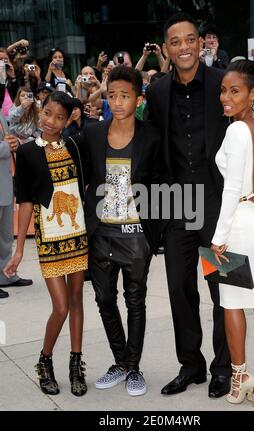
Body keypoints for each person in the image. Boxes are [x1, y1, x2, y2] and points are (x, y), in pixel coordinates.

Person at [145, 12, 254, 398]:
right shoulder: (156, 92)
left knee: (225, 290)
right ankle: (191, 366)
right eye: (176, 41)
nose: (185, 46)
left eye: (191, 39)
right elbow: (152, 152)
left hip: (220, 205)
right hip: (175, 205)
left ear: (200, 42)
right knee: (178, 289)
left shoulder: (223, 82)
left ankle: (226, 368)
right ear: (167, 49)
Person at [67, 66, 160, 396]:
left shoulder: (151, 136)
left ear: (138, 99)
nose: (118, 102)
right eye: (112, 96)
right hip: (102, 233)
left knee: (136, 301)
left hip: (137, 235)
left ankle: (133, 367)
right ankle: (120, 361)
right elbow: (75, 168)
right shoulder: (93, 133)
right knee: (105, 299)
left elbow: (162, 183)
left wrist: (154, 236)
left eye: (125, 96)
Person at [4, 91, 88, 397]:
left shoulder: (76, 146)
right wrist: (19, 249)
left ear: (68, 120)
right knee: (62, 306)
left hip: (77, 233)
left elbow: (84, 187)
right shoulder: (27, 153)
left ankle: (76, 364)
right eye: (47, 113)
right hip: (49, 238)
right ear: (41, 112)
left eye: (59, 117)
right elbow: (25, 201)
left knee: (77, 299)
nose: (51, 121)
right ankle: (45, 360)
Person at [211, 59, 254, 406]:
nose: (225, 97)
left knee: (232, 304)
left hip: (240, 225)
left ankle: (239, 377)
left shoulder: (236, 130)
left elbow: (231, 189)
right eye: (223, 90)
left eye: (234, 91)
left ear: (253, 92)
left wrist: (218, 237)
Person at [0, 89, 32, 297]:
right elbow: (5, 143)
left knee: (4, 235)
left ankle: (6, 274)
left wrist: (12, 143)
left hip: (6, 179)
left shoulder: (1, 114)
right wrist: (6, 146)